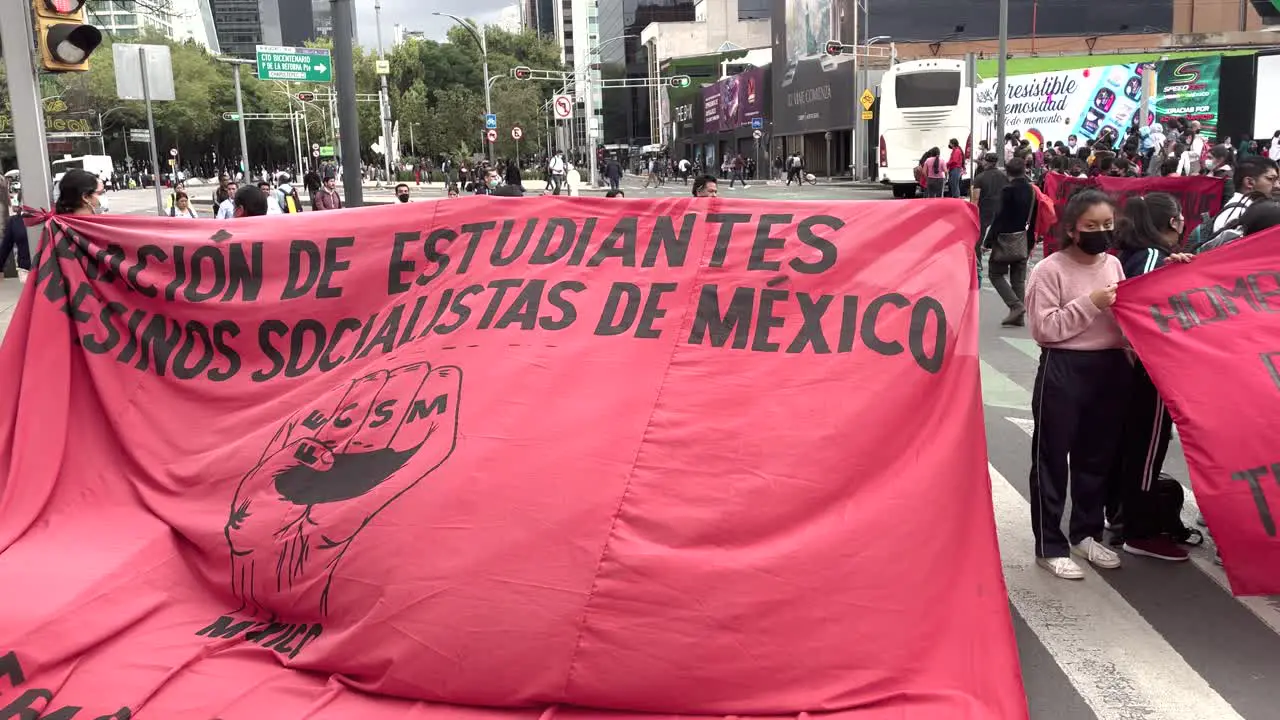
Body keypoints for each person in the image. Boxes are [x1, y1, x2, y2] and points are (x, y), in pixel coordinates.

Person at [1024, 189, 1130, 580]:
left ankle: (1086, 532)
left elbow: (1124, 318)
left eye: (1107, 225)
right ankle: (1049, 544)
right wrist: (1092, 302)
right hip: (1064, 367)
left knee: (1097, 457)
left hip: (1110, 367)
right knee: (1051, 458)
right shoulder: (1049, 270)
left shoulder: (1114, 266)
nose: (1101, 232)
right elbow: (1045, 328)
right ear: (1071, 229)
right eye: (1092, 226)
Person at [1110, 193, 1194, 561]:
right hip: (1150, 369)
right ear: (1173, 221)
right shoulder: (1151, 258)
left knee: (1133, 445)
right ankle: (1140, 530)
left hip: (1139, 368)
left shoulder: (1145, 255)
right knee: (1146, 448)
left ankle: (1122, 514)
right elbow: (1139, 308)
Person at [984, 157, 1037, 327]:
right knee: (1018, 279)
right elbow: (1034, 216)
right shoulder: (1032, 190)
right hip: (1023, 238)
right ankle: (1018, 317)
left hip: (1005, 240)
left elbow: (999, 218)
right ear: (1025, 170)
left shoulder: (1007, 191)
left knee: (995, 273)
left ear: (1007, 172)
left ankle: (1015, 306)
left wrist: (988, 241)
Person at [1213, 156, 1278, 232]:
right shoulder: (1238, 213)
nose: (1277, 186)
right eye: (1270, 179)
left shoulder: (1246, 208)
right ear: (1249, 182)